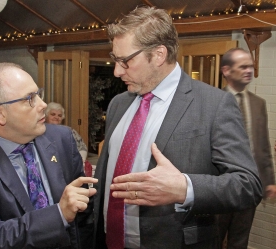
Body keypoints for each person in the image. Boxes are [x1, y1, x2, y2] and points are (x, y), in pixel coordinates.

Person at [92, 6, 263, 249]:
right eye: (115, 59)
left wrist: (185, 188)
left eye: (125, 61)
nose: (117, 71)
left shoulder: (213, 105)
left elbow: (248, 185)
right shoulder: (119, 103)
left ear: (159, 54)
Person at [0, 62, 97, 249]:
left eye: (38, 94)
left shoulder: (61, 139)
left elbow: (83, 217)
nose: (43, 105)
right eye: (30, 99)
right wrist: (59, 215)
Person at [218, 48, 276, 248]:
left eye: (250, 66)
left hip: (250, 187)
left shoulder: (259, 103)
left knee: (239, 241)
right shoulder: (211, 100)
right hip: (219, 186)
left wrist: (268, 180)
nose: (249, 71)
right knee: (211, 240)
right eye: (243, 67)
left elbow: (263, 145)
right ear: (226, 71)